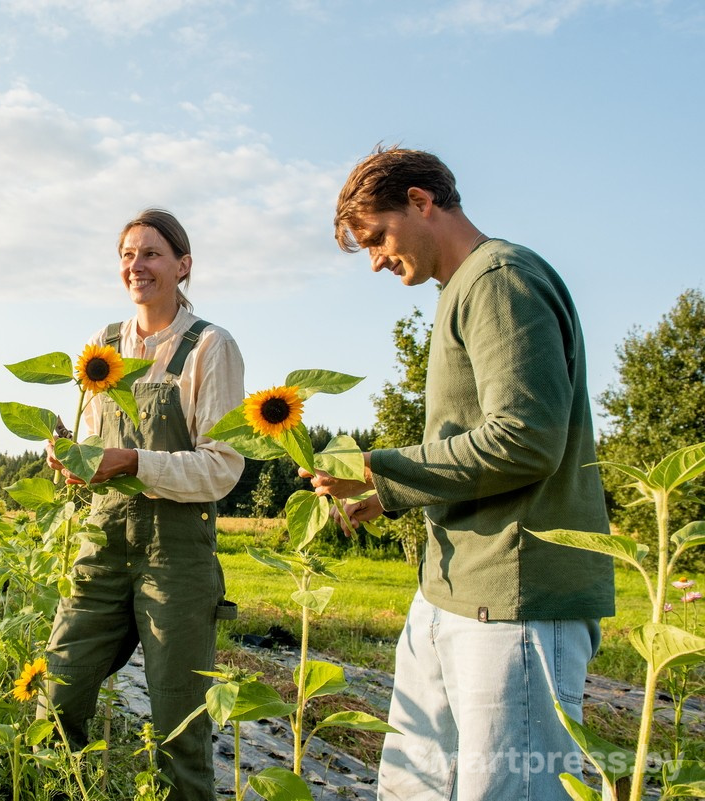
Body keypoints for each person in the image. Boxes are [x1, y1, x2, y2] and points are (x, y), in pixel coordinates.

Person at [307, 146, 615, 801]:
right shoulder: (462, 290)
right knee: (413, 788)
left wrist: (380, 472)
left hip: (515, 600)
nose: (377, 260)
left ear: (422, 201)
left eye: (379, 237)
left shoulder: (499, 277)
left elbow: (525, 440)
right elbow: (470, 445)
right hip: (452, 590)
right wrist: (384, 493)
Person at [41, 208, 245, 801]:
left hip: (176, 554)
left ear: (183, 266)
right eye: (128, 255)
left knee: (181, 720)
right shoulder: (102, 346)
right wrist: (71, 458)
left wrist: (132, 462)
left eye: (151, 254)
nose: (137, 266)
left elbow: (223, 467)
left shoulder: (210, 345)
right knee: (58, 691)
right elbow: (91, 447)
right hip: (101, 542)